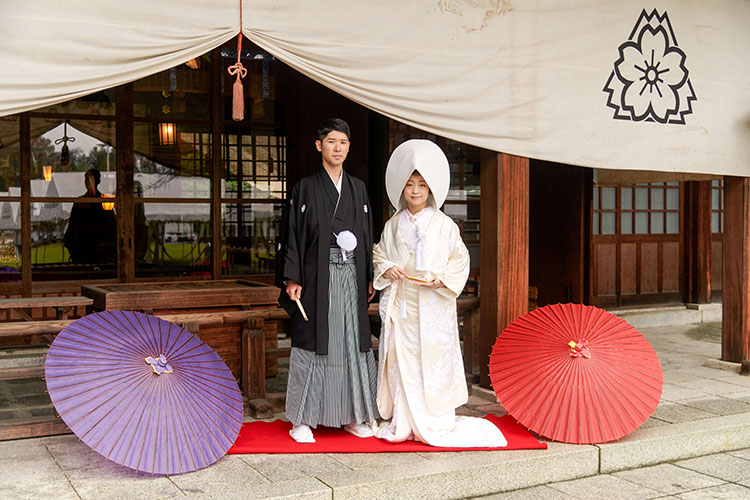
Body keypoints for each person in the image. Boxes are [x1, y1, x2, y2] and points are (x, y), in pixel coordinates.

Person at [372, 139, 507, 447]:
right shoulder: (393, 224)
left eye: (421, 185)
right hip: (403, 304)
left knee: (431, 359)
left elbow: (459, 260)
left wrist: (441, 280)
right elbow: (379, 254)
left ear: (430, 189)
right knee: (402, 360)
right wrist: (388, 268)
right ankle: (404, 420)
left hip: (432, 303)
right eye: (409, 184)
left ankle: (434, 420)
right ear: (402, 189)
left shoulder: (444, 224)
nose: (415, 191)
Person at [276, 118, 379, 443]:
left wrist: (368, 275)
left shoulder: (357, 188)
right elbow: (292, 233)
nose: (338, 148)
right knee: (316, 342)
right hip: (316, 275)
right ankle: (302, 420)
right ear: (319, 145)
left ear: (349, 147)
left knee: (351, 342)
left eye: (343, 142)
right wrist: (292, 277)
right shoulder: (305, 187)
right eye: (332, 141)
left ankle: (352, 416)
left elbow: (367, 234)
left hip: (350, 274)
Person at [63, 168, 116, 264]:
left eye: (90, 178)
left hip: (101, 251)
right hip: (82, 250)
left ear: (97, 180)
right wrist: (72, 246)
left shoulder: (105, 201)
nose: (87, 182)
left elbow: (111, 224)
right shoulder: (80, 202)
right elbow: (72, 225)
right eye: (86, 179)